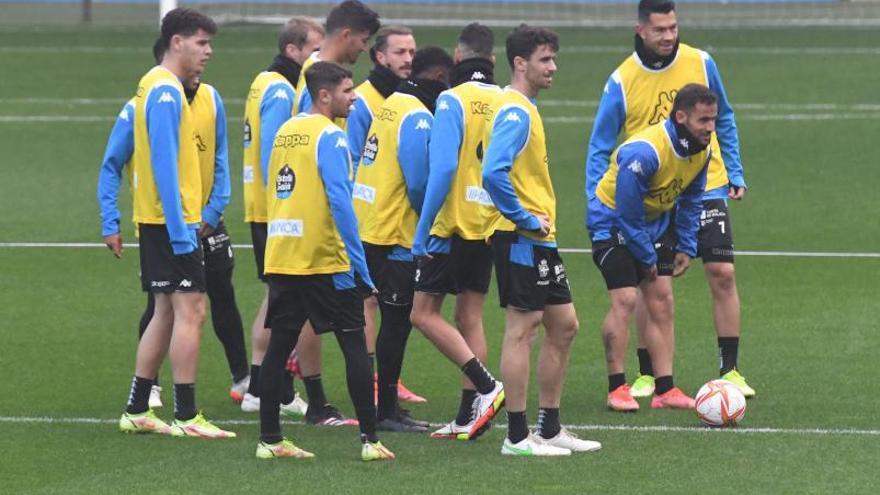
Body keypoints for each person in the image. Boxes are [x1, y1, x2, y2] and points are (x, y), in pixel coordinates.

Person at [584, 0, 754, 402]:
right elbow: (599, 146)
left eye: (673, 27)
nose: (669, 36)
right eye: (660, 29)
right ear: (640, 29)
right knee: (644, 287)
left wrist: (734, 170)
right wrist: (597, 199)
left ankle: (727, 370)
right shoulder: (622, 81)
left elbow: (723, 117)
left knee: (721, 271)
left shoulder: (701, 63)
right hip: (638, 190)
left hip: (696, 175)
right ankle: (643, 377)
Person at [98, 38, 247, 411]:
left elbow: (221, 158)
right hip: (170, 223)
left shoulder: (210, 100)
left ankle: (242, 379)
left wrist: (214, 211)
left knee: (217, 295)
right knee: (169, 304)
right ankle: (163, 397)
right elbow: (112, 164)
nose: (205, 59)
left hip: (207, 221)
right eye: (200, 47)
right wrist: (110, 218)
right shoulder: (146, 106)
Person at [257, 61, 394, 462]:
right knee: (353, 341)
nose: (353, 97)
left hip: (283, 254)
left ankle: (269, 439)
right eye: (347, 90)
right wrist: (360, 266)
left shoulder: (286, 130)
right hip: (324, 260)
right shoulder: (331, 138)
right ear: (324, 95)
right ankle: (370, 441)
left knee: (278, 347)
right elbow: (340, 201)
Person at [482, 24, 601, 456]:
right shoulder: (515, 111)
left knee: (564, 326)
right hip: (519, 237)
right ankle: (516, 437)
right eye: (545, 59)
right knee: (522, 330)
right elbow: (492, 173)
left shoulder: (524, 107)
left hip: (538, 239)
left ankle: (548, 427)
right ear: (520, 63)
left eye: (553, 58)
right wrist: (523, 216)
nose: (553, 67)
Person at [588, 83, 717, 412]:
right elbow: (628, 215)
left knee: (662, 300)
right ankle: (617, 387)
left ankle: (665, 390)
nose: (710, 128)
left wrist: (686, 245)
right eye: (703, 121)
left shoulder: (702, 150)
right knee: (626, 297)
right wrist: (647, 259)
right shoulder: (642, 153)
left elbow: (690, 198)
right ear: (681, 116)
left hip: (653, 222)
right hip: (612, 223)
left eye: (713, 120)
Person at [287, 0, 381, 426]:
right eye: (364, 40)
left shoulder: (331, 83)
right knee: (309, 313)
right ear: (347, 35)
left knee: (299, 314)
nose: (364, 48)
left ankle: (289, 404)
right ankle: (316, 401)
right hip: (314, 225)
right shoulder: (311, 89)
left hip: (320, 219)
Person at [409, 23, 505, 441]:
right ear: (495, 60)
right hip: (488, 225)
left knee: (422, 314)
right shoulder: (506, 101)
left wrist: (424, 228)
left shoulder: (450, 100)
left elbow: (444, 167)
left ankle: (487, 385)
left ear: (456, 58)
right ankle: (469, 416)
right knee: (469, 315)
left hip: (451, 225)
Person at [352, 47, 454, 432]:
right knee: (396, 322)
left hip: (369, 223)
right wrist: (428, 225)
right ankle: (385, 411)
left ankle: (381, 406)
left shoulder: (392, 101)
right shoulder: (417, 116)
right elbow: (417, 182)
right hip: (393, 231)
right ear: (441, 77)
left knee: (379, 319)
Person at [240, 15, 323, 419]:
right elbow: (276, 153)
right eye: (313, 50)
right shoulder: (278, 89)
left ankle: (263, 385)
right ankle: (264, 387)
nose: (316, 60)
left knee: (276, 300)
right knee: (283, 301)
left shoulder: (264, 81)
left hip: (266, 208)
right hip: (274, 211)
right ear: (293, 50)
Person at [346, 25, 426, 404]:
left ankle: (383, 380)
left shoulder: (401, 98)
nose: (407, 59)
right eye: (399, 53)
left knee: (379, 305)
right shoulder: (362, 102)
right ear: (379, 57)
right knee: (367, 303)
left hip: (385, 221)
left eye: (411, 52)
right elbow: (358, 160)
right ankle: (374, 384)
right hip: (372, 220)